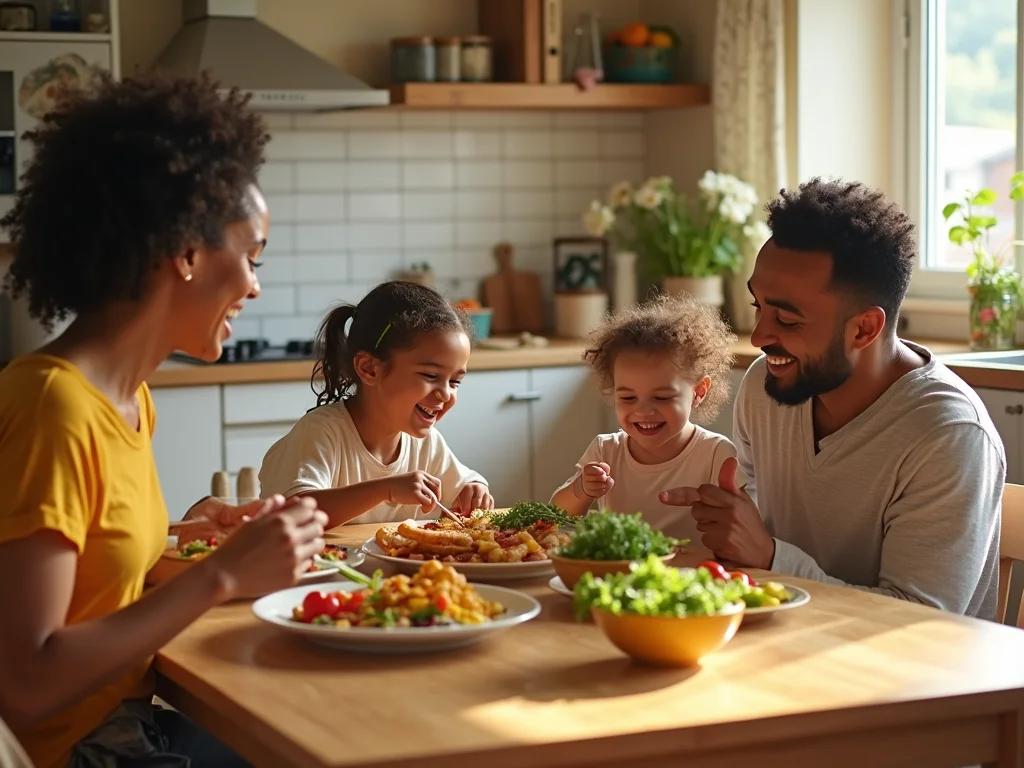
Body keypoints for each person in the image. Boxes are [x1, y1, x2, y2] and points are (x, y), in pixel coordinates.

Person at [0, 71, 329, 768]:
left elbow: (99, 582)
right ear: (184, 250)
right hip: (78, 750)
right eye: (251, 255)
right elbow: (26, 684)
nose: (254, 285)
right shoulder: (52, 407)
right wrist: (222, 576)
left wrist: (191, 539)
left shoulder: (129, 398)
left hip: (129, 722)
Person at [660, 177, 1003, 618]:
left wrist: (769, 557)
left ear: (864, 329)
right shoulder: (766, 386)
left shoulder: (949, 434)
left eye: (787, 319)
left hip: (901, 661)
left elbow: (918, 620)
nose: (760, 337)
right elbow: (751, 542)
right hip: (785, 641)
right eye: (758, 307)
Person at [258, 280, 494, 527]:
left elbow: (464, 482)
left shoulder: (427, 444)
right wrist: (386, 489)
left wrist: (474, 488)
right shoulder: (320, 432)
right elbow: (295, 512)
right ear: (369, 369)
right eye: (430, 376)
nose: (446, 394)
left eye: (455, 382)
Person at [550, 294, 743, 542]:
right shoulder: (606, 450)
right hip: (624, 566)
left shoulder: (716, 454)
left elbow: (742, 526)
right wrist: (582, 489)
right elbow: (557, 517)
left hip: (695, 567)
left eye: (661, 397)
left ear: (699, 392)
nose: (643, 411)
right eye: (628, 398)